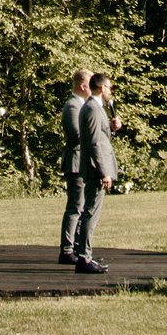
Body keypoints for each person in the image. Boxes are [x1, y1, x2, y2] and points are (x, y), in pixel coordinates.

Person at [70, 72, 120, 274]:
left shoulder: (96, 109)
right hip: (94, 170)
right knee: (90, 212)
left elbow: (101, 137)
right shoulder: (91, 108)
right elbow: (93, 143)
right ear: (101, 88)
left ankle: (85, 253)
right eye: (109, 87)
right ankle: (84, 257)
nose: (111, 92)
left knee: (90, 211)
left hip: (96, 168)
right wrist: (103, 172)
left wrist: (114, 129)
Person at [57, 68, 93, 263]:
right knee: (75, 207)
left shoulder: (81, 105)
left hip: (82, 162)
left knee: (82, 206)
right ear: (83, 86)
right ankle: (67, 250)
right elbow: (79, 135)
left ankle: (78, 248)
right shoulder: (72, 106)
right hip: (75, 163)